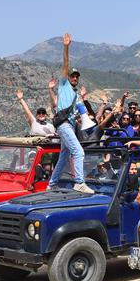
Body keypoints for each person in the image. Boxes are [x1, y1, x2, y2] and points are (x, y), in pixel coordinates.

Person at [47, 33, 94, 194]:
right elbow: (66, 64)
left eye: (76, 76)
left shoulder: (74, 94)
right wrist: (66, 47)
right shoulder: (64, 83)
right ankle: (79, 182)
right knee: (79, 152)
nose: (74, 78)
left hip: (69, 125)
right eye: (72, 75)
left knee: (64, 155)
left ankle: (52, 184)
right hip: (64, 124)